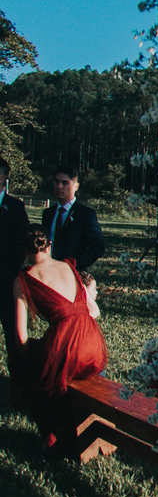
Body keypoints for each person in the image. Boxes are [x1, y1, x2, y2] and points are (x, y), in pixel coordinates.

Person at [13, 226, 108, 455]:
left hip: (66, 346)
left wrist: (29, 360)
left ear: (25, 252)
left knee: (23, 368)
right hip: (93, 343)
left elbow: (21, 335)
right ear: (49, 246)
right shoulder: (69, 266)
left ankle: (53, 439)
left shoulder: (23, 280)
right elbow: (90, 308)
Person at [0, 157, 30, 400]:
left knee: (12, 334)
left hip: (6, 282)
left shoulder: (16, 207)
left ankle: (19, 384)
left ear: (3, 178)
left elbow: (25, 241)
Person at [41, 165, 104, 271]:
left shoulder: (85, 214)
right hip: (48, 272)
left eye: (65, 183)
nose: (59, 186)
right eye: (57, 182)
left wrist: (74, 265)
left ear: (76, 186)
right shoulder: (48, 213)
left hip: (72, 274)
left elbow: (98, 248)